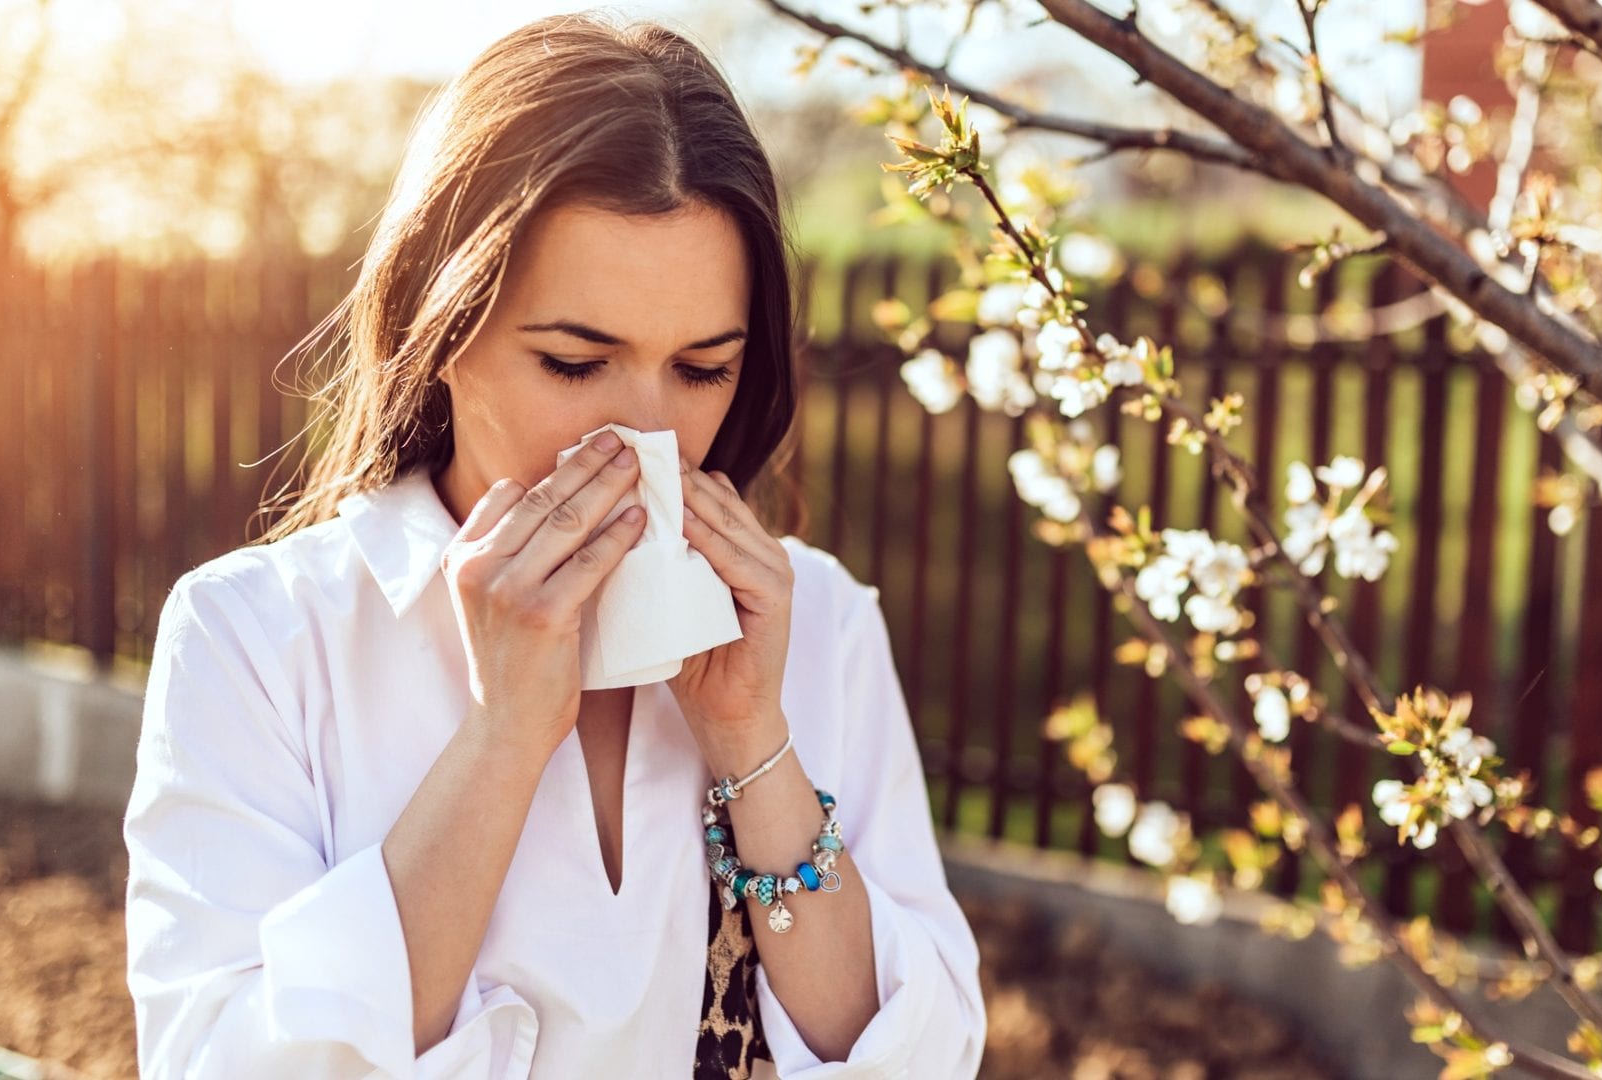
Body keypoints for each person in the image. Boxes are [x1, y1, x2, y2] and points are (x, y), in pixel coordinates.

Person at [120, 12, 987, 1079]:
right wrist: (501, 741)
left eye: (702, 369)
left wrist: (754, 742)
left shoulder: (821, 624)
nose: (646, 437)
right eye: (576, 363)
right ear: (438, 329)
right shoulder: (257, 637)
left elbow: (926, 1057)